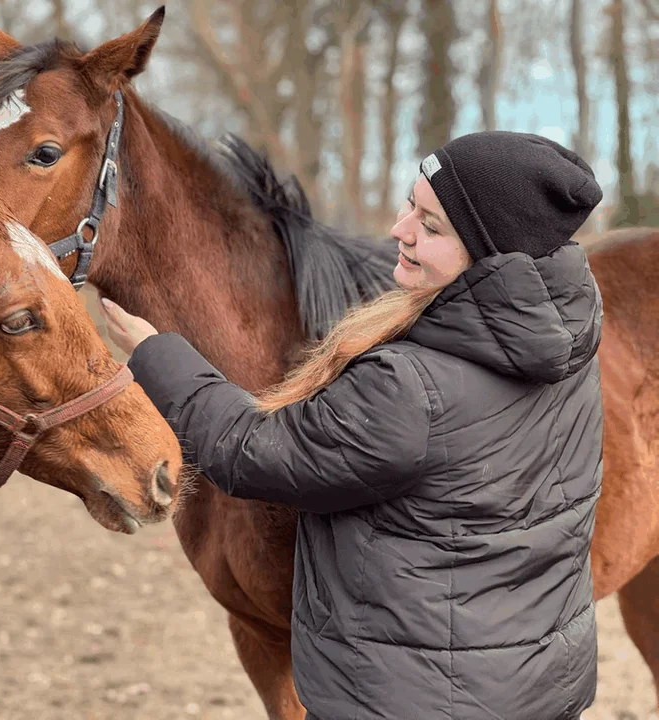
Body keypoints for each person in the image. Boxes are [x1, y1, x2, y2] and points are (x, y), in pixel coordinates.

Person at [99, 131, 605, 720]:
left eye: (432, 226)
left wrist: (158, 354)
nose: (400, 229)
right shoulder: (566, 346)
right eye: (410, 205)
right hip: (534, 688)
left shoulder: (410, 388)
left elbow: (251, 452)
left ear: (491, 256)